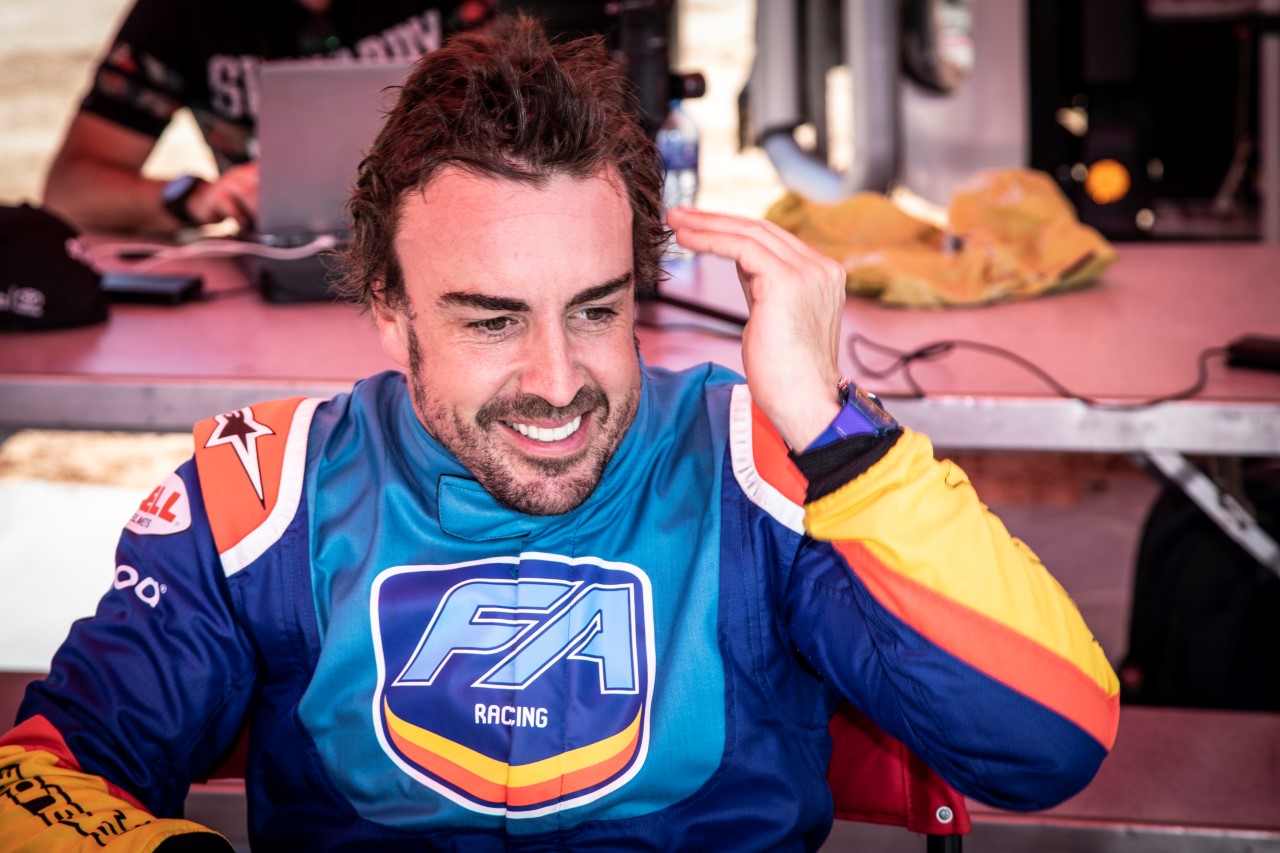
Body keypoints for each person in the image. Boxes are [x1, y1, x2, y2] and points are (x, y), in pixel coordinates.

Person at [0, 16, 1120, 851]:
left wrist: (837, 432)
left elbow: (1047, 745)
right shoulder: (260, 494)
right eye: (491, 320)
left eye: (595, 309)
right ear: (387, 308)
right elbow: (44, 778)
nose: (556, 383)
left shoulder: (770, 472)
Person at [40, 0, 493, 235]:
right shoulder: (178, 14)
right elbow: (71, 190)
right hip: (279, 262)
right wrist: (196, 198)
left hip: (454, 234)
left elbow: (521, 120)